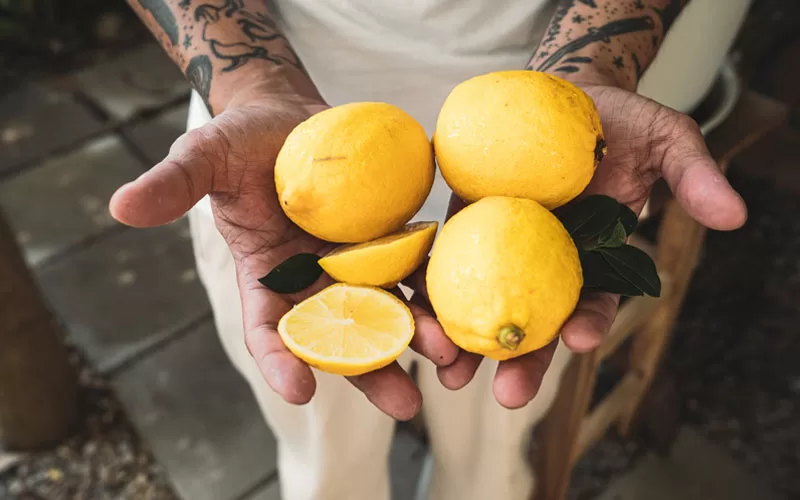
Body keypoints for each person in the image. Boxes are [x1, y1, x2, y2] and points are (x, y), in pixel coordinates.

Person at [110, 0, 750, 498]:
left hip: (538, 150)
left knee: (492, 461)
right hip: (276, 153)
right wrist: (250, 84)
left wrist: (593, 67)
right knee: (323, 458)